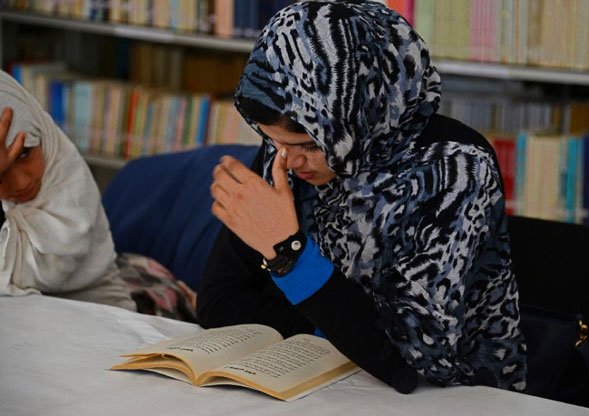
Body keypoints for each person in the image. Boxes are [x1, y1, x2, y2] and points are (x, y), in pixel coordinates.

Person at [197, 0, 527, 393]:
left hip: (456, 399)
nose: (288, 160)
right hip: (329, 385)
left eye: (306, 144)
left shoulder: (455, 168)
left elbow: (411, 362)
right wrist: (338, 332)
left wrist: (289, 254)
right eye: (272, 141)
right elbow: (217, 302)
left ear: (354, 112)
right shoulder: (289, 152)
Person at [0, 69, 135, 311]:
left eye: (24, 153)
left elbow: (38, 274)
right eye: (1, 176)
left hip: (98, 316)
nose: (20, 182)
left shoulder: (66, 177)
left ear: (42, 133)